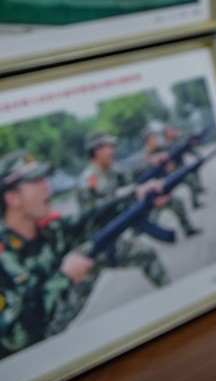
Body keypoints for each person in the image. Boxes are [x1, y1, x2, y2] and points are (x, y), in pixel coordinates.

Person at [0, 149, 161, 353]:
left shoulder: (48, 230)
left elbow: (90, 218)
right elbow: (15, 338)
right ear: (13, 198)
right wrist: (64, 277)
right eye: (36, 181)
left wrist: (137, 197)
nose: (46, 186)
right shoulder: (4, 257)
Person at [78, 131, 169, 287]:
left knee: (147, 255)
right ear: (97, 150)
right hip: (99, 243)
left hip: (110, 234)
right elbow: (101, 209)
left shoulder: (108, 170)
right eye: (109, 147)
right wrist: (135, 194)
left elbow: (131, 173)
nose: (113, 150)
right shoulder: (90, 180)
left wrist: (152, 162)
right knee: (76, 291)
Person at [136, 120, 202, 235]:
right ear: (147, 141)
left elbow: (173, 151)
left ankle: (188, 229)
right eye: (153, 138)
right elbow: (139, 175)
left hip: (162, 187)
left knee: (177, 203)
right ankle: (136, 234)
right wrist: (151, 162)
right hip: (149, 195)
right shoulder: (143, 158)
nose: (156, 140)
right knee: (148, 220)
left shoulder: (161, 149)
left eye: (155, 137)